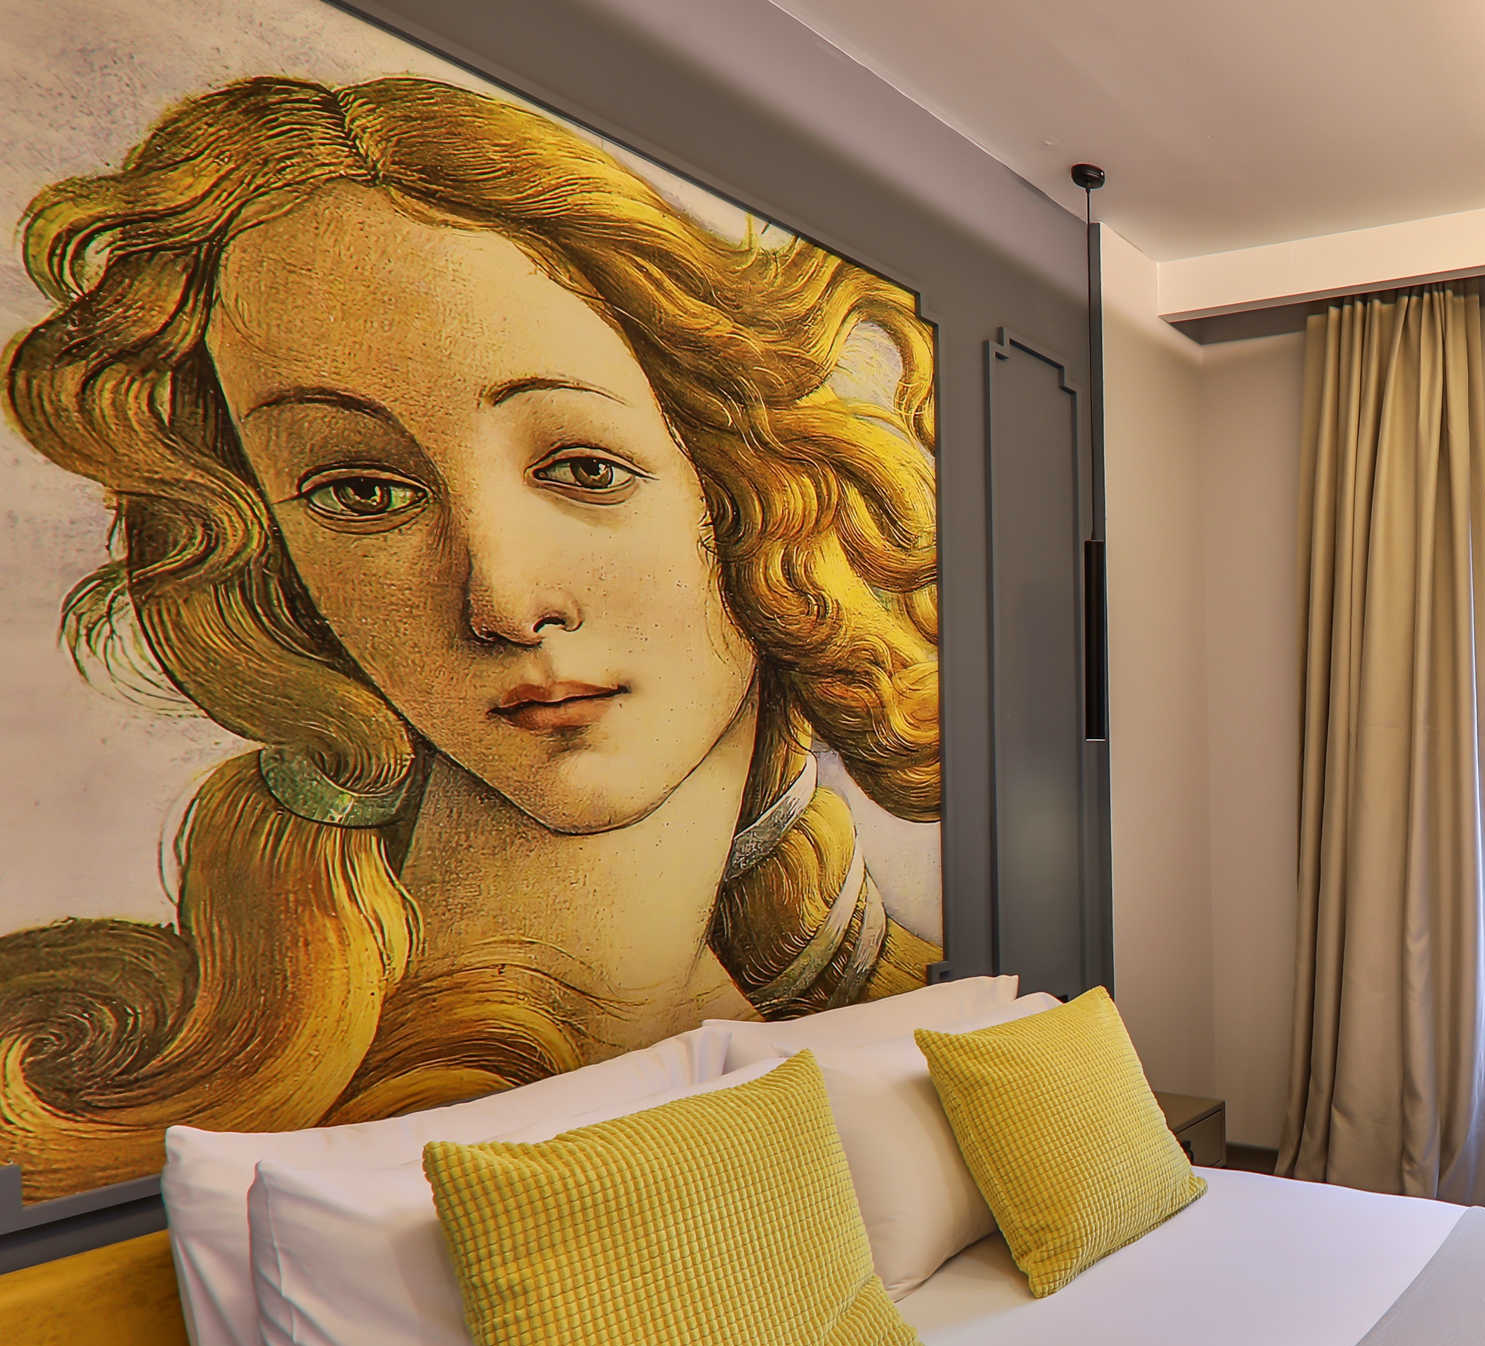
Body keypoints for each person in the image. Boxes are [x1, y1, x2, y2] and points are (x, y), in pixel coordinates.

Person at [0, 73, 940, 1201]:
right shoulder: (67, 1077)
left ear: (744, 490)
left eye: (584, 469)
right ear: (276, 558)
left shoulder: (883, 1014)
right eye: (362, 492)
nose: (505, 601)